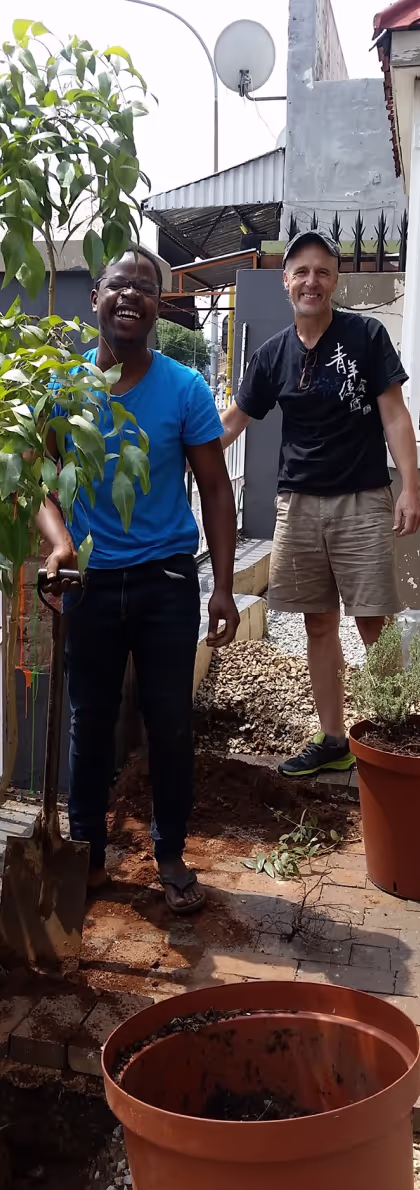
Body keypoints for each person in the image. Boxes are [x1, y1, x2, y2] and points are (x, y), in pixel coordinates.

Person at [36, 246, 239, 914]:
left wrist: (223, 586)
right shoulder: (65, 386)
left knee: (170, 722)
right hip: (89, 582)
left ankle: (171, 852)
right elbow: (41, 479)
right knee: (89, 720)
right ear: (95, 295)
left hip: (165, 581)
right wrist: (61, 543)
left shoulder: (184, 389)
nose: (130, 296)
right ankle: (88, 854)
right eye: (119, 285)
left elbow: (216, 488)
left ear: (159, 306)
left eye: (145, 288)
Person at [220, 229, 420, 778]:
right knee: (317, 622)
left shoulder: (366, 335)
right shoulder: (271, 355)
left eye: (322, 272)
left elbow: (394, 414)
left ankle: (395, 733)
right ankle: (333, 738)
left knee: (373, 620)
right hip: (300, 503)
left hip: (362, 498)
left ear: (335, 281)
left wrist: (410, 486)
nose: (311, 281)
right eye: (302, 272)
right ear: (286, 282)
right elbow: (234, 420)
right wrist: (183, 454)